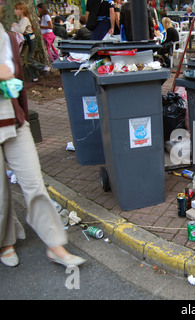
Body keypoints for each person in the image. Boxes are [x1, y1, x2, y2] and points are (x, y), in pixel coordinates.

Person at [0, 7, 86, 269]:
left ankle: (55, 245)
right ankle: (6, 242)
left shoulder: (5, 35)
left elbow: (13, 74)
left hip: (13, 120)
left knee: (34, 184)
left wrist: (22, 113)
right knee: (1, 195)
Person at [11, 2, 50, 82]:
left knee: (27, 58)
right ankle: (34, 76)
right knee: (26, 59)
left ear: (21, 10)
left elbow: (21, 30)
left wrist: (15, 26)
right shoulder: (22, 19)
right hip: (26, 41)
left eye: (16, 9)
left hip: (31, 41)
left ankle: (43, 67)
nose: (15, 11)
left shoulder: (25, 19)